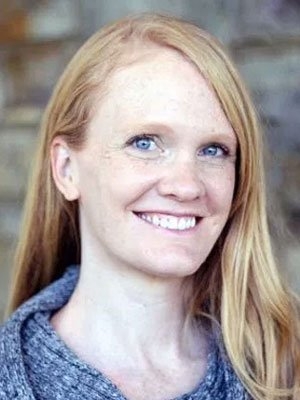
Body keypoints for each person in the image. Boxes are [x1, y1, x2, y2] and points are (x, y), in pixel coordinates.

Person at [0, 13, 299, 400]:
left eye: (214, 150)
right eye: (145, 143)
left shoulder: (284, 367)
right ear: (66, 168)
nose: (187, 186)